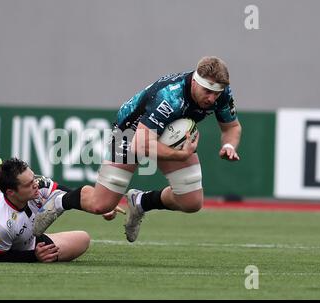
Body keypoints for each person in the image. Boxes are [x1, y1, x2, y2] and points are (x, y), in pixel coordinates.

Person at [34, 56, 242, 242]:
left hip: (170, 133)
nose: (212, 99)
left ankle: (141, 201)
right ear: (195, 81)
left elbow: (232, 127)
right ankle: (60, 200)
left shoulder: (220, 93)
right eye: (208, 91)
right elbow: (140, 145)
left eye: (216, 93)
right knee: (101, 205)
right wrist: (180, 154)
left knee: (191, 201)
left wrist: (229, 145)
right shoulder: (169, 98)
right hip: (130, 132)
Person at [0, 157, 120, 263]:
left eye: (34, 178)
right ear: (10, 192)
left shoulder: (37, 185)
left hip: (33, 239)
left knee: (83, 239)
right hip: (21, 249)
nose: (35, 185)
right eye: (28, 184)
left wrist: (99, 204)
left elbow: (70, 194)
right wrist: (34, 256)